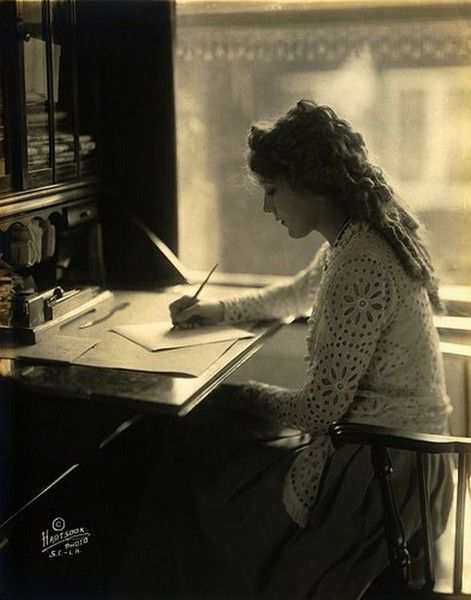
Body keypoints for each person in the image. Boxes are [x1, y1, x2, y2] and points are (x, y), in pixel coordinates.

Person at [128, 100, 454, 600]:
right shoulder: (352, 240)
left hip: (384, 477)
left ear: (310, 183)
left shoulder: (361, 263)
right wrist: (216, 310)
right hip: (387, 452)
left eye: (272, 191)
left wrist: (240, 395)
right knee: (208, 440)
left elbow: (321, 410)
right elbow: (292, 295)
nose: (267, 207)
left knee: (197, 455)